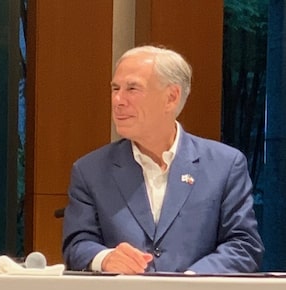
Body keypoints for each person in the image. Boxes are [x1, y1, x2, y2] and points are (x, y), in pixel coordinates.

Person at [62, 45, 263, 274]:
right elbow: (77, 245)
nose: (118, 100)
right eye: (115, 88)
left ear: (171, 97)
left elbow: (243, 245)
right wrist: (105, 258)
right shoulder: (90, 170)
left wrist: (191, 280)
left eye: (132, 89)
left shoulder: (225, 165)